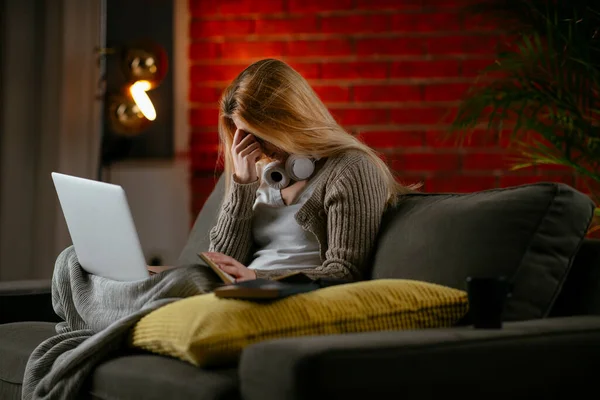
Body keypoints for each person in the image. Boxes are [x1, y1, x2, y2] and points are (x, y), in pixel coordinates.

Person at [201, 58, 414, 283]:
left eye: (261, 135)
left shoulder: (350, 168)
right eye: (246, 136)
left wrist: (257, 277)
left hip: (290, 300)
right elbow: (222, 266)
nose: (256, 148)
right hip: (242, 295)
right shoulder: (258, 174)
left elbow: (345, 272)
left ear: (289, 121)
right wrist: (243, 183)